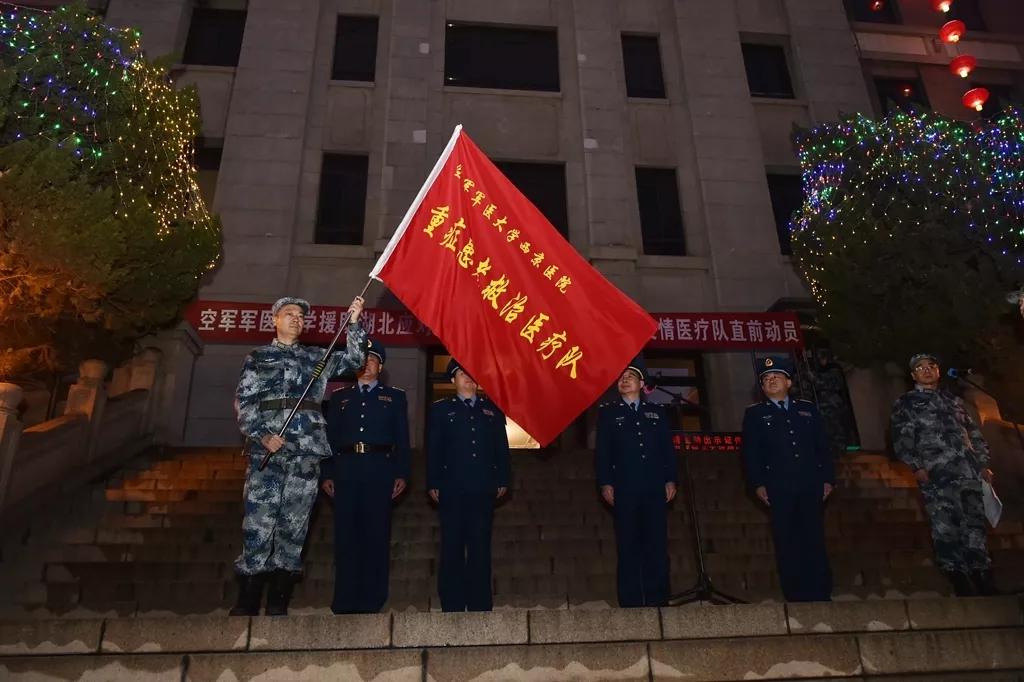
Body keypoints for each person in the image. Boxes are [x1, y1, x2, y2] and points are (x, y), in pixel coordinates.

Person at [230, 295, 367, 616]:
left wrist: (356, 323)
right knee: (259, 523)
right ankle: (248, 601)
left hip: (305, 452)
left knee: (294, 526)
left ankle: (279, 602)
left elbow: (356, 361)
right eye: (288, 314)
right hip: (269, 452)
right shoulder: (258, 357)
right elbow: (245, 402)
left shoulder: (316, 357)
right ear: (275, 320)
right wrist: (262, 435)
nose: (296, 319)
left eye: (301, 316)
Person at [890, 353, 996, 596]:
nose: (927, 370)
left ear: (938, 371)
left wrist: (982, 463)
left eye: (931, 366)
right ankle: (957, 576)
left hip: (967, 472)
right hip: (937, 474)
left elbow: (973, 433)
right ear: (913, 375)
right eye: (920, 368)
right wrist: (916, 466)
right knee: (945, 525)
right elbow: (902, 438)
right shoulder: (907, 403)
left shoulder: (953, 401)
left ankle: (982, 574)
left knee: (974, 524)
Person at [321, 338, 410, 613]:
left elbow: (402, 439)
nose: (366, 364)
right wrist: (327, 472)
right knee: (346, 538)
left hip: (379, 472)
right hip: (346, 472)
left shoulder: (394, 397)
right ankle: (345, 599)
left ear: (380, 366)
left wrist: (402, 473)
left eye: (372, 359)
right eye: (361, 359)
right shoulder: (340, 398)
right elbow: (330, 439)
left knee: (376, 536)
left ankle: (373, 599)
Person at [741, 356, 834, 602]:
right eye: (766, 379)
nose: (771, 381)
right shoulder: (756, 415)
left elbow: (822, 447)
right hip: (778, 485)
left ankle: (821, 591)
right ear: (761, 387)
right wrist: (757, 483)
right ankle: (795, 593)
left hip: (809, 483)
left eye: (776, 376)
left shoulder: (807, 409)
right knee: (787, 540)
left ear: (789, 381)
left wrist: (827, 479)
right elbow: (751, 453)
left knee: (813, 538)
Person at [426, 358, 510, 612]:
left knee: (480, 546)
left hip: (482, 488)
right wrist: (433, 481)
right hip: (451, 488)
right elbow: (434, 449)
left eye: (473, 373)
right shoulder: (441, 410)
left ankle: (479, 602)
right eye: (462, 373)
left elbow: (501, 449)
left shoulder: (491, 410)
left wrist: (503, 478)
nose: (469, 378)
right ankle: (451, 603)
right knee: (451, 546)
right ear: (453, 380)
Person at [595, 356, 678, 608]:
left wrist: (670, 478)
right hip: (625, 488)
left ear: (643, 383)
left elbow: (667, 450)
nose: (624, 379)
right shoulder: (609, 414)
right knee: (628, 545)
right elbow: (602, 453)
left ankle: (658, 599)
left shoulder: (657, 413)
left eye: (630, 376)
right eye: (621, 376)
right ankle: (630, 601)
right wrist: (606, 482)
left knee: (656, 544)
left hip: (654, 487)